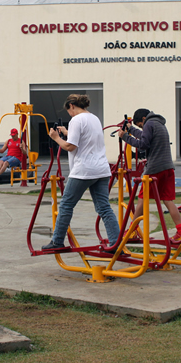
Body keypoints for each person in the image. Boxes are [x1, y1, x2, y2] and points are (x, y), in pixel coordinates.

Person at [42, 94, 120, 251]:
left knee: (66, 205)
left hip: (84, 170)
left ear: (72, 105)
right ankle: (116, 242)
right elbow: (85, 139)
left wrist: (56, 137)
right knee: (104, 208)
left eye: (69, 111)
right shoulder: (94, 118)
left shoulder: (76, 120)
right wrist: (67, 132)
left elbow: (71, 147)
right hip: (102, 169)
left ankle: (57, 241)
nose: (69, 114)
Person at [118, 108, 181, 243]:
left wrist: (125, 137)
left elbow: (143, 144)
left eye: (140, 125)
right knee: (168, 199)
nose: (141, 128)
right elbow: (145, 136)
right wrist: (131, 129)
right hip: (168, 167)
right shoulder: (158, 123)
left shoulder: (149, 124)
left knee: (142, 199)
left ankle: (132, 230)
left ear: (143, 119)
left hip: (155, 169)